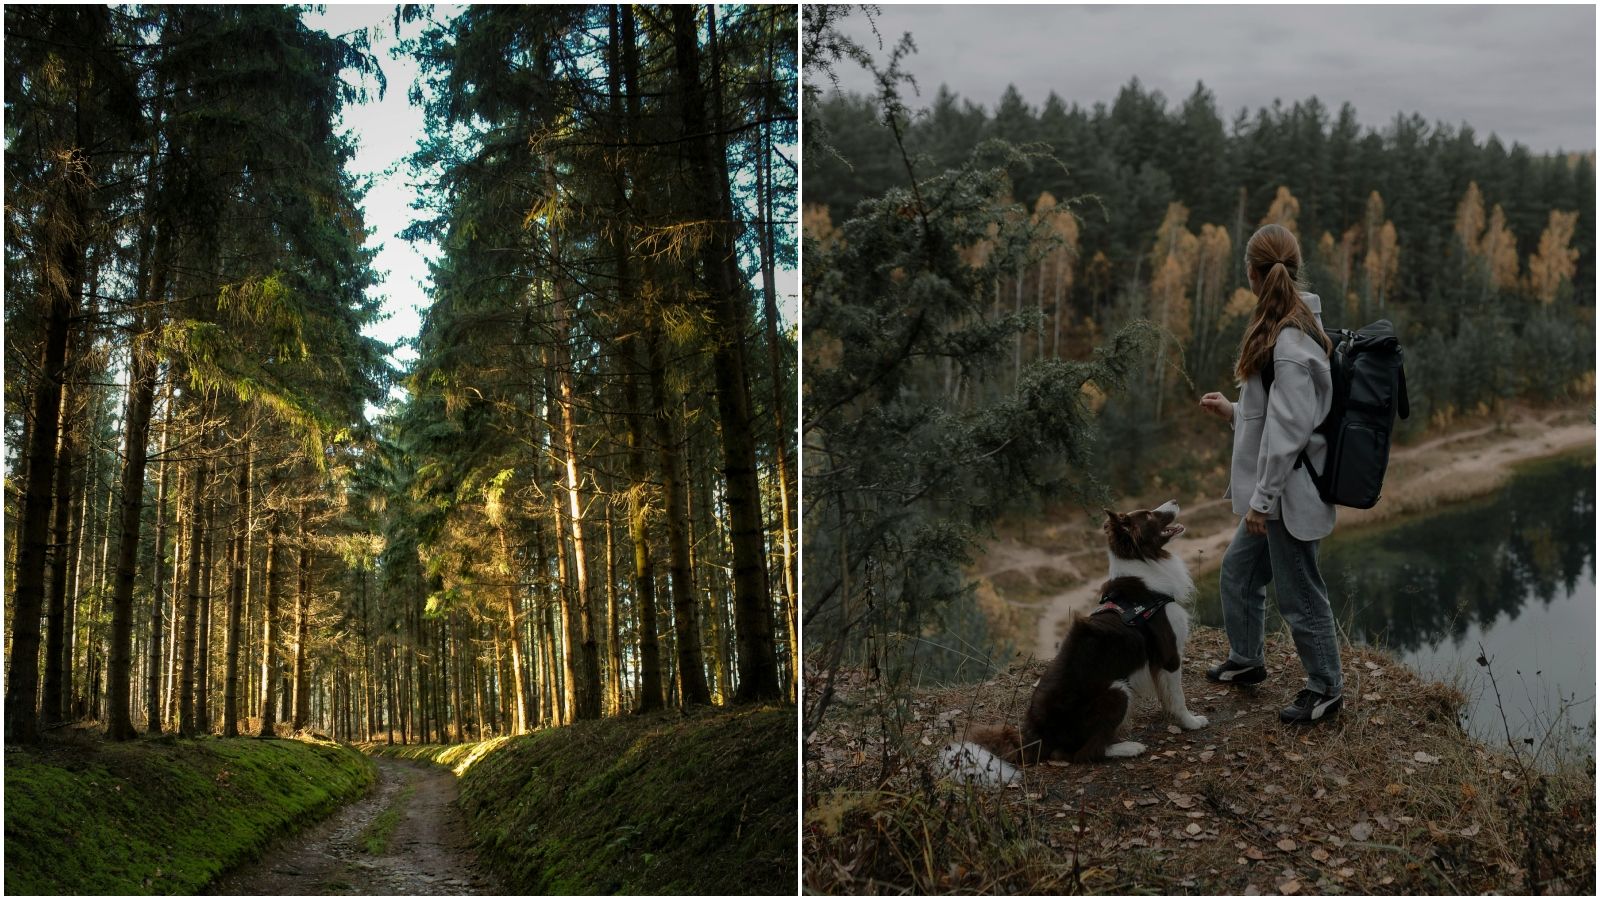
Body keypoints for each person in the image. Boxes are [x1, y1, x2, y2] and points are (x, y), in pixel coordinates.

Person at [1197, 223, 1344, 725]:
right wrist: (1234, 412)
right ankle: (1247, 660)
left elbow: (1291, 431)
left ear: (1253, 273)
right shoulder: (1283, 327)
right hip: (1276, 491)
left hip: (1287, 495)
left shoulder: (1290, 340)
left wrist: (1261, 502)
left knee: (1300, 593)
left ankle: (1325, 688)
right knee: (1239, 572)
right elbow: (1274, 418)